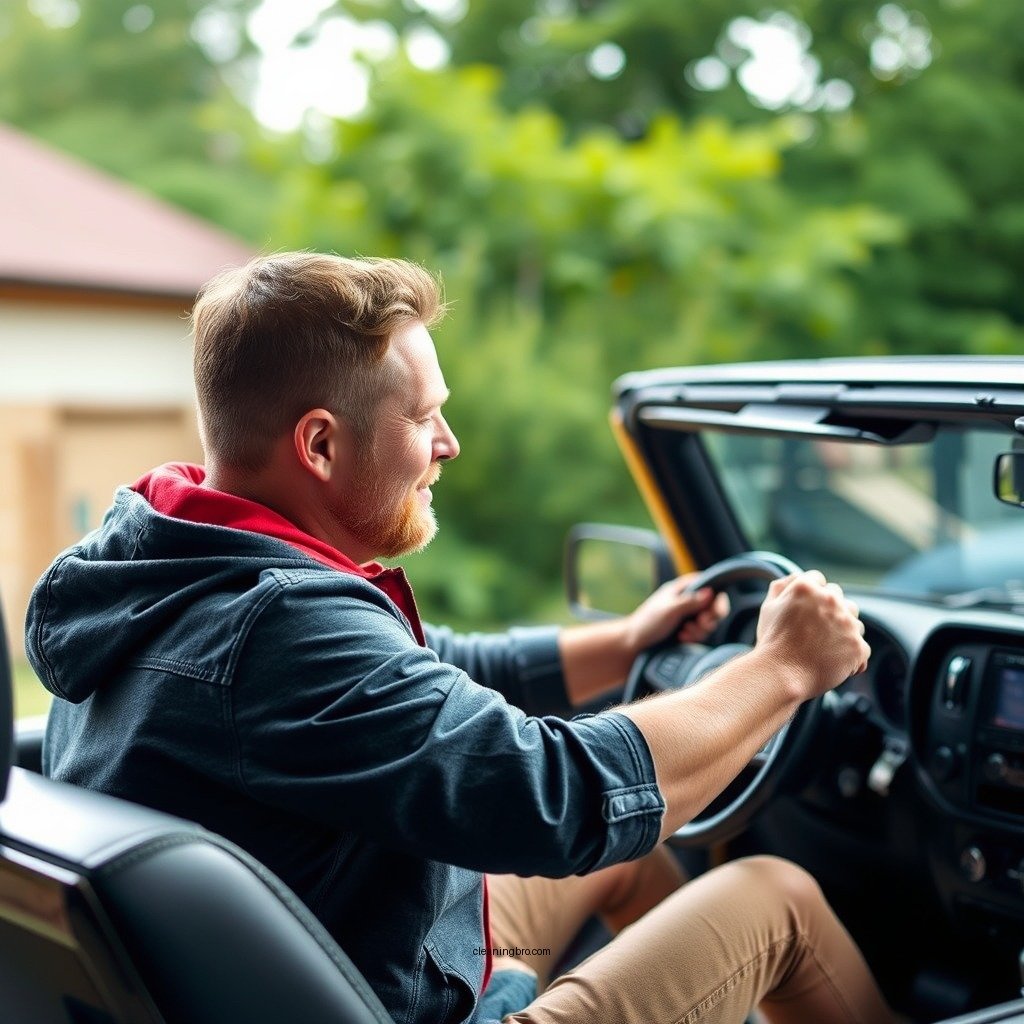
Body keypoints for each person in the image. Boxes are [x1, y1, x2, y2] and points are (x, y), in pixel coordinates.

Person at [26, 252, 895, 1024]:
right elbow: (564, 796)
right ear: (320, 444)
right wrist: (781, 668)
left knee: (633, 867)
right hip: (393, 993)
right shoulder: (278, 632)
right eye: (423, 417)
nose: (449, 443)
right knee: (774, 897)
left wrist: (622, 646)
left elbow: (419, 677)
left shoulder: (163, 562)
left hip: (351, 954)